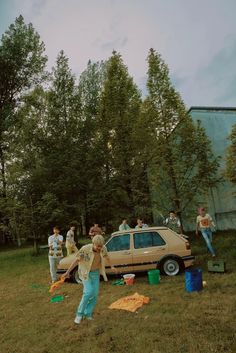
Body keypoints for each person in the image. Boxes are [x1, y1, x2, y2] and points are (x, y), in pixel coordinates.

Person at [62, 234, 117, 324]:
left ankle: (88, 314)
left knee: (94, 294)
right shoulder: (85, 249)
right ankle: (79, 314)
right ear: (93, 243)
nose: (100, 248)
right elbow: (76, 260)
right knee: (88, 292)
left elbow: (106, 256)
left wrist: (112, 266)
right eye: (98, 246)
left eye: (101, 246)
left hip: (95, 273)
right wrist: (68, 272)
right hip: (85, 273)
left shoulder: (103, 248)